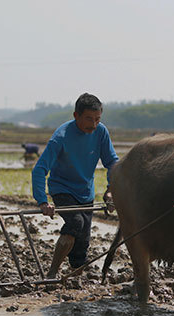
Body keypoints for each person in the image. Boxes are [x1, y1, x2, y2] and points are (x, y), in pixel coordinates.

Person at [32, 93, 119, 278]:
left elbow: (112, 162)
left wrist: (111, 190)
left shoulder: (101, 132)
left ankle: (75, 277)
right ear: (76, 115)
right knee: (75, 223)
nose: (93, 124)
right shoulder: (61, 136)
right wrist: (42, 201)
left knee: (82, 244)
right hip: (62, 188)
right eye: (88, 118)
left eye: (97, 119)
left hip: (85, 192)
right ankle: (51, 274)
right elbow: (39, 169)